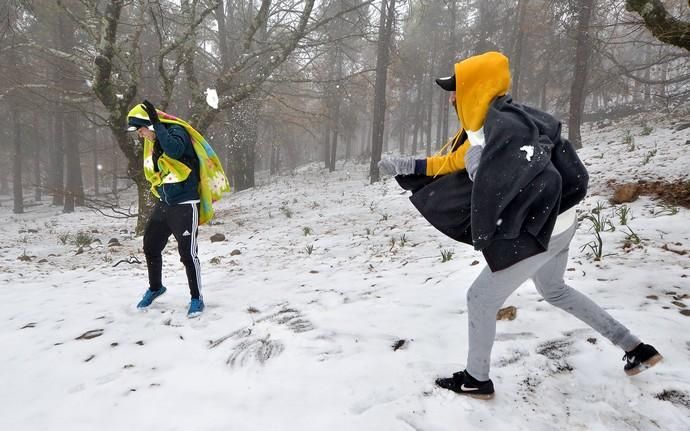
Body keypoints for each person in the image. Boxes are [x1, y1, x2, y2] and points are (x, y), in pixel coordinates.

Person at [378, 52, 661, 400]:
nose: (451, 97)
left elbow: (514, 177)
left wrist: (480, 169)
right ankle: (637, 348)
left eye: (456, 89)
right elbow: (458, 157)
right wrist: (411, 165)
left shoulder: (506, 129)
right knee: (555, 290)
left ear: (475, 87)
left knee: (479, 298)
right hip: (559, 223)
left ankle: (476, 379)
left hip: (540, 231)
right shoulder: (489, 121)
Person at [127, 100, 230, 318]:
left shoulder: (176, 131)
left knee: (187, 253)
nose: (140, 135)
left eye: (141, 129)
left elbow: (174, 151)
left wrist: (157, 123)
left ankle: (196, 298)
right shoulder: (154, 140)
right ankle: (156, 288)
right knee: (150, 245)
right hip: (165, 203)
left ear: (151, 124)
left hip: (185, 204)